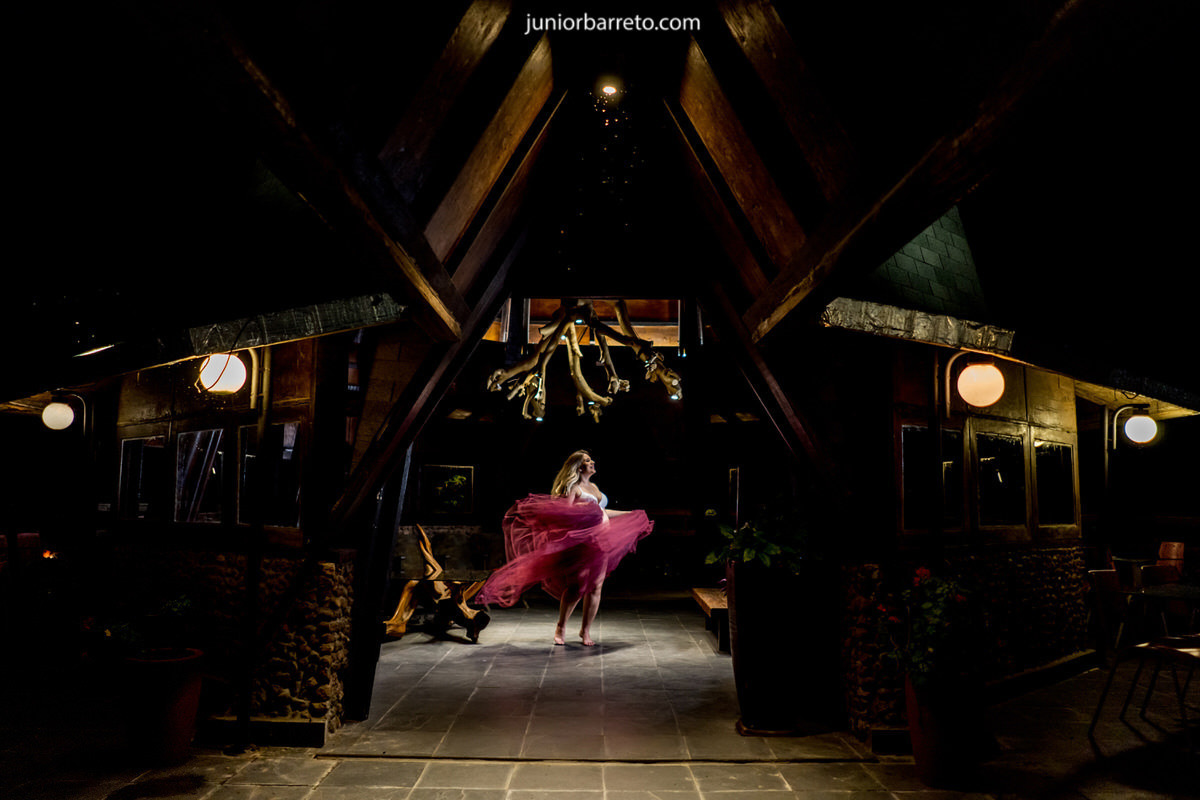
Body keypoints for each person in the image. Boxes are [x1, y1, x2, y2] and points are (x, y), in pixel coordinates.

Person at [475, 450, 654, 645]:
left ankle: (585, 631)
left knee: (596, 586)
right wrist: (584, 511)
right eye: (587, 460)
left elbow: (602, 511)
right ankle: (561, 626)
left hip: (601, 541)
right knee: (577, 587)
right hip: (582, 542)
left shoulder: (594, 487)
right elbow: (564, 514)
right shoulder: (573, 488)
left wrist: (628, 514)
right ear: (579, 467)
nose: (592, 462)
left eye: (591, 459)